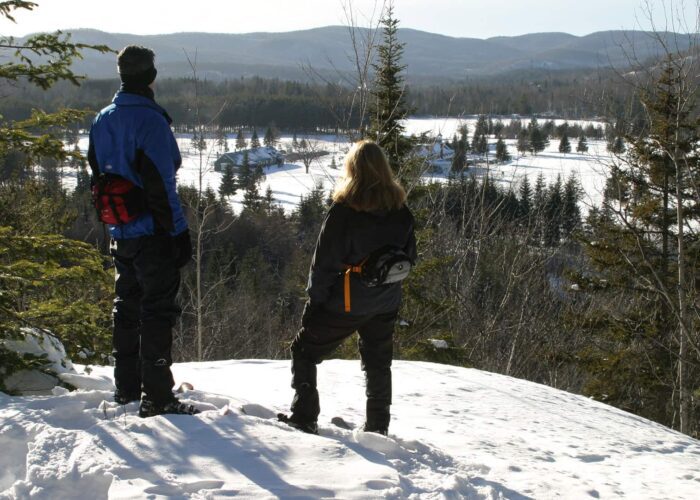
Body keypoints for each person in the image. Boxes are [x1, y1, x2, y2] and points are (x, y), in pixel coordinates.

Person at [88, 46, 198, 417]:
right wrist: (179, 234)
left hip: (121, 230)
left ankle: (126, 388)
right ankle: (158, 395)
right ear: (151, 76)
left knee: (126, 307)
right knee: (157, 311)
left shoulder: (102, 119)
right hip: (153, 232)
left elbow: (98, 177)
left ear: (122, 76)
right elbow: (162, 183)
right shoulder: (151, 121)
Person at [279, 140, 417, 435]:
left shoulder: (343, 213)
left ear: (351, 169)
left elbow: (324, 265)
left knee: (304, 350)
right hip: (386, 302)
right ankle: (378, 428)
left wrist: (314, 305)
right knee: (378, 362)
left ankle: (304, 416)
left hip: (347, 303)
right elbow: (411, 258)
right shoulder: (400, 210)